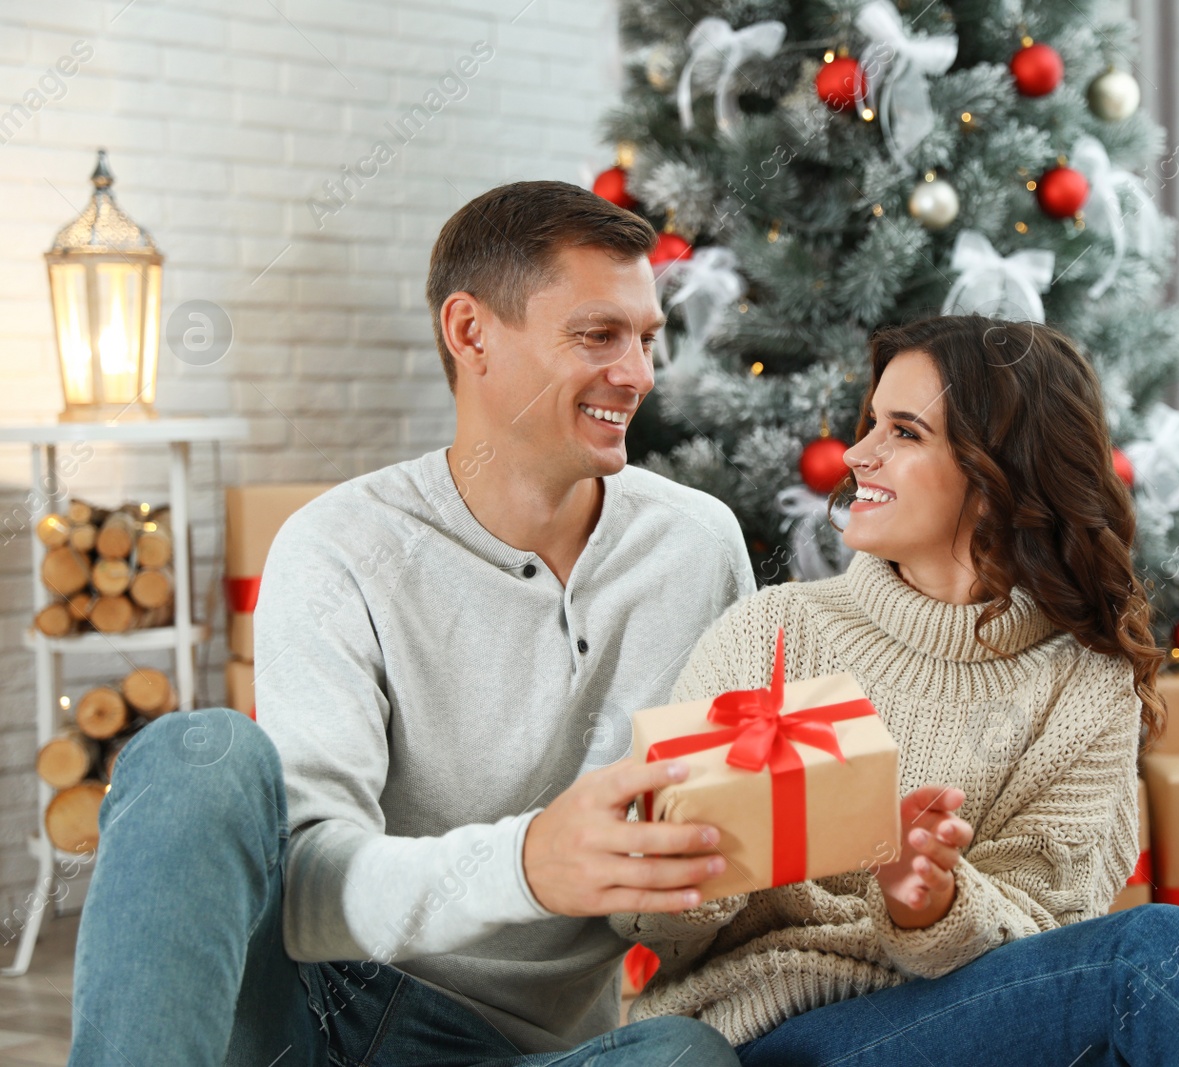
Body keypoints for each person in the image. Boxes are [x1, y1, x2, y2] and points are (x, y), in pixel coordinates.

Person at [610, 315, 1179, 1066]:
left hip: (984, 1021)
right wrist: (694, 853)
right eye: (870, 423)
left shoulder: (1085, 681)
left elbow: (1050, 934)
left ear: (997, 476)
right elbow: (649, 926)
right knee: (1156, 952)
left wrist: (934, 904)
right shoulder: (776, 633)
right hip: (780, 1035)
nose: (857, 453)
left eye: (903, 432)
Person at [68, 182, 746, 1065]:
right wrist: (528, 863)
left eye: (646, 339)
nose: (639, 374)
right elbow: (308, 886)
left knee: (684, 1057)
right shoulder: (340, 547)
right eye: (598, 335)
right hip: (317, 1010)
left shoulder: (696, 545)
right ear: (470, 334)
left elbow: (715, 839)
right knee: (200, 753)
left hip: (521, 1048)